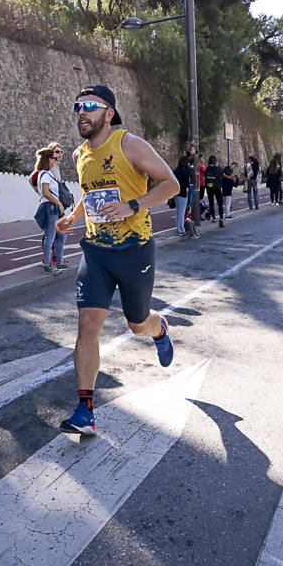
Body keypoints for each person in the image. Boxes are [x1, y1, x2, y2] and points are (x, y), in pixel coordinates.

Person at [55, 84, 179, 436]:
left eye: (90, 106)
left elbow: (171, 185)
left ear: (108, 113)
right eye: (78, 105)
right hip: (95, 252)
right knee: (88, 326)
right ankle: (85, 410)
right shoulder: (80, 155)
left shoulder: (130, 145)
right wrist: (74, 216)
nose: (82, 111)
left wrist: (132, 206)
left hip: (134, 250)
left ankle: (159, 328)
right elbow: (89, 193)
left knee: (136, 323)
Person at [33, 144, 68, 274]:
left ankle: (59, 261)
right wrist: (59, 203)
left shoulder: (48, 174)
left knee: (61, 235)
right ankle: (48, 265)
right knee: (51, 236)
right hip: (51, 207)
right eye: (53, 158)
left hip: (54, 207)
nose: (55, 160)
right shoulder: (45, 174)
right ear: (48, 160)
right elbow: (46, 192)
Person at [172, 154, 192, 237]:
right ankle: (181, 229)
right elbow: (187, 184)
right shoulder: (186, 171)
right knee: (181, 212)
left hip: (176, 192)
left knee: (178, 212)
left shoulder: (176, 170)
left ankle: (178, 228)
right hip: (183, 193)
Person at [204, 155, 224, 226]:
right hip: (217, 188)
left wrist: (207, 186)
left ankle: (214, 218)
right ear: (215, 161)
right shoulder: (218, 168)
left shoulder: (207, 169)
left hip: (210, 188)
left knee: (211, 203)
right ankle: (221, 218)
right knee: (220, 203)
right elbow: (222, 177)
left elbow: (205, 178)